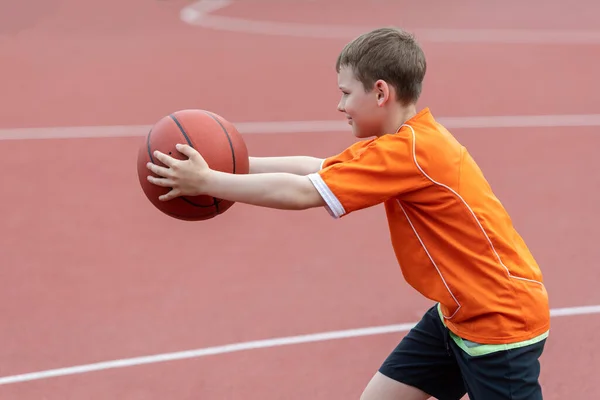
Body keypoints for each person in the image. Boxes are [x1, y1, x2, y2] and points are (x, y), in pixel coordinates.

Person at [145, 27, 550, 400]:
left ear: (379, 92)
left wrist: (207, 184)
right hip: (459, 314)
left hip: (499, 322)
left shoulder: (410, 150)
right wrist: (225, 165)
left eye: (345, 93)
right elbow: (315, 168)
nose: (340, 105)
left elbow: (304, 192)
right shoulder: (401, 140)